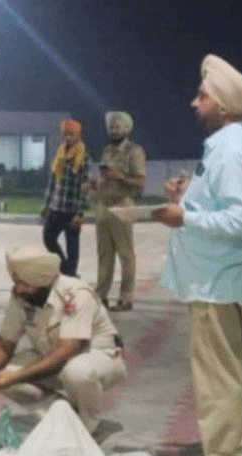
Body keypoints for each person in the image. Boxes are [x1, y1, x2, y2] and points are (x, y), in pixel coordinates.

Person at [153, 54, 242, 456]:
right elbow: (224, 206)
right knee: (222, 378)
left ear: (222, 106)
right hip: (222, 283)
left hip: (221, 287)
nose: (193, 103)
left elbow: (239, 223)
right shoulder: (231, 145)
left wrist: (184, 218)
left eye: (202, 96)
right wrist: (189, 197)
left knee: (219, 381)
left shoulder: (235, 151)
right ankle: (223, 451)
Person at [0, 246, 126, 437]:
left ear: (42, 281)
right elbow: (5, 342)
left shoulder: (76, 295)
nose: (18, 289)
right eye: (17, 282)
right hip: (53, 359)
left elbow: (67, 350)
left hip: (98, 359)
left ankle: (91, 426)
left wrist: (18, 376)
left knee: (76, 372)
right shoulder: (22, 296)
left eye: (25, 284)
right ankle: (65, 416)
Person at [92, 111, 147, 312]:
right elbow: (105, 178)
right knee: (104, 255)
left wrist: (119, 177)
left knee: (125, 254)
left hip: (122, 206)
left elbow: (140, 183)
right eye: (112, 127)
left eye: (118, 127)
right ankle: (101, 296)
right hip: (103, 206)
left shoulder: (134, 151)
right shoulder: (107, 151)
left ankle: (126, 298)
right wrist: (95, 184)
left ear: (126, 129)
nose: (114, 130)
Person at [40, 116, 88, 277]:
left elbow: (85, 187)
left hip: (72, 209)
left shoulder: (83, 157)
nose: (68, 138)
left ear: (78, 135)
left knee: (72, 245)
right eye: (65, 134)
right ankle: (65, 267)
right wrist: (46, 206)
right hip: (56, 207)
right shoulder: (59, 154)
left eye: (71, 134)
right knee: (48, 238)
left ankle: (71, 273)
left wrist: (80, 213)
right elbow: (52, 183)